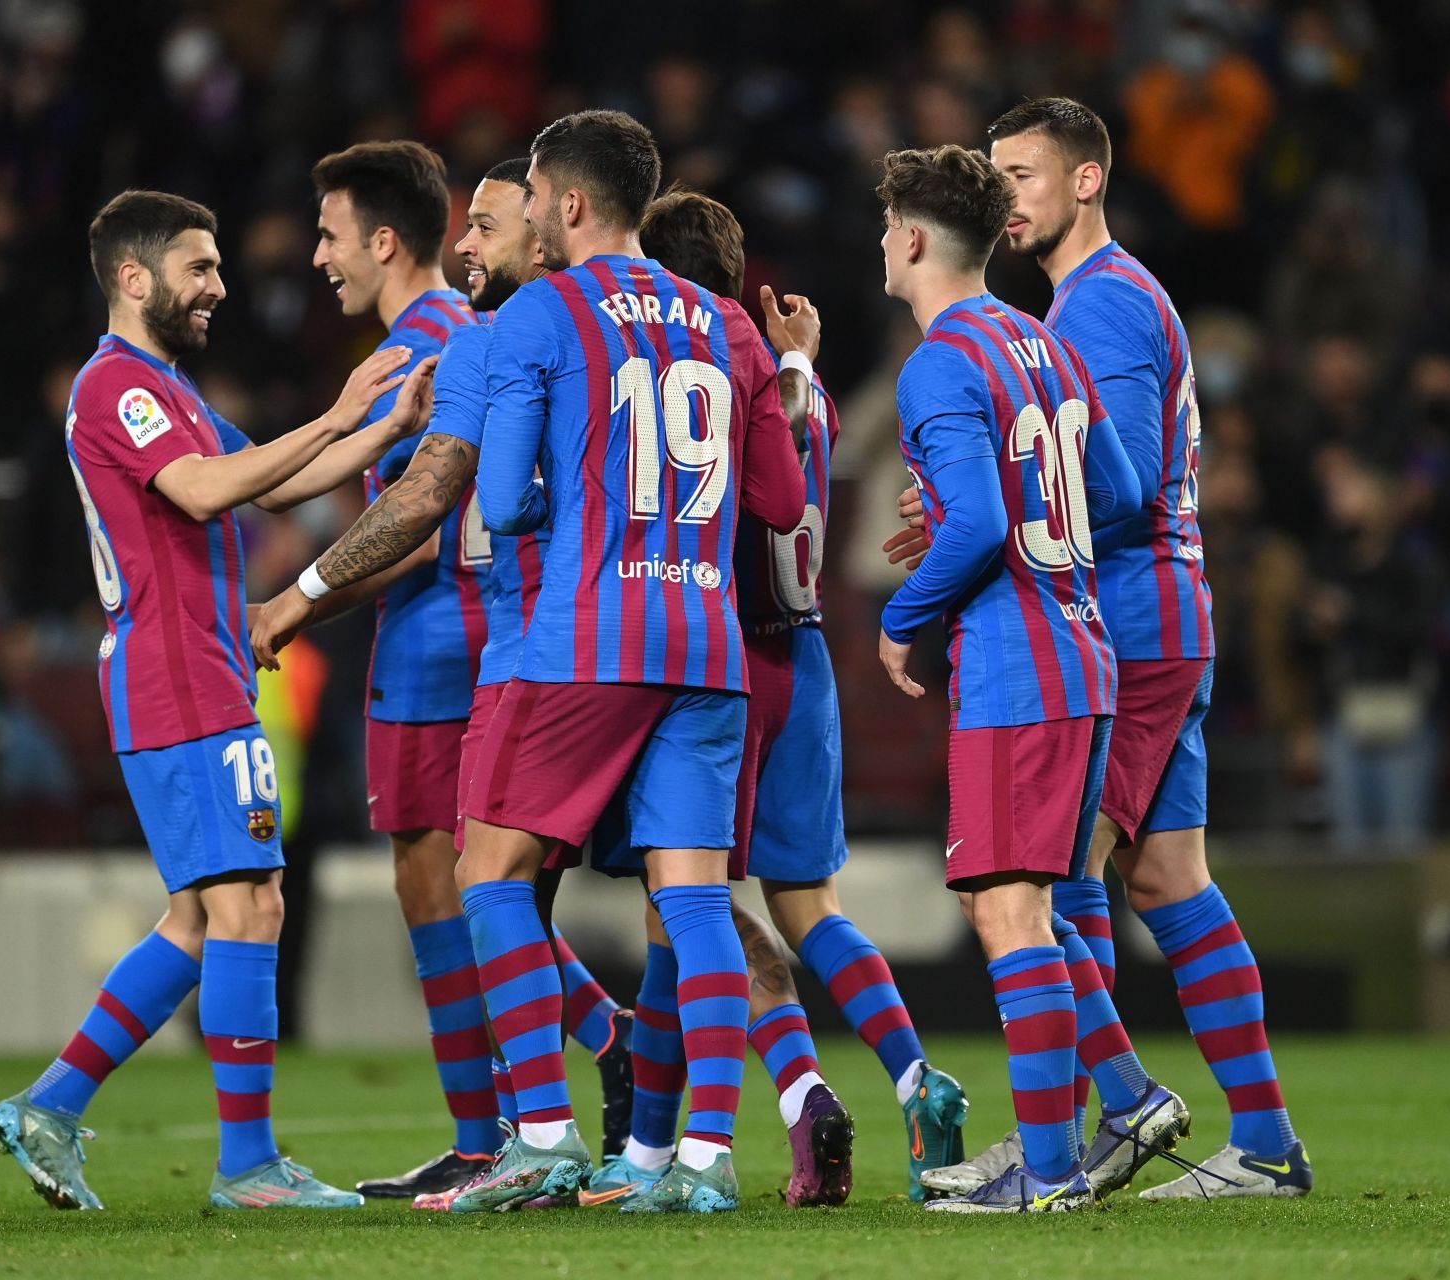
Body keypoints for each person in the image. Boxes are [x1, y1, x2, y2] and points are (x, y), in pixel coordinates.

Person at [0, 188, 427, 1212]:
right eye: (200, 266)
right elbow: (201, 491)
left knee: (197, 915)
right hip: (178, 674)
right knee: (250, 903)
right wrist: (338, 411)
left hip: (202, 668)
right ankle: (248, 1167)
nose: (219, 284)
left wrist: (384, 424)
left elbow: (273, 482)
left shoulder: (172, 390)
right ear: (134, 276)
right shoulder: (116, 389)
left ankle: (50, 1105)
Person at [252, 152, 637, 1201]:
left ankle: (506, 1119)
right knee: (465, 883)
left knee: (449, 880)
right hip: (472, 636)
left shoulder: (423, 346)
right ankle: (554, 1080)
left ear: (383, 240)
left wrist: (289, 605)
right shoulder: (454, 336)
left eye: (329, 234)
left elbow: (417, 532)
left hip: (443, 643)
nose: (319, 256)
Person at [459, 109, 806, 1213]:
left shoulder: (536, 314)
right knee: (696, 900)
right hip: (708, 643)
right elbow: (784, 502)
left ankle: (548, 1135)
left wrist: (579, 490)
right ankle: (702, 1157)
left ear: (565, 202)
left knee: (491, 873)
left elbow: (503, 500)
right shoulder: (723, 322)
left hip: (586, 640)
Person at [985, 97, 1310, 1198]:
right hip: (1160, 615)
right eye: (995, 179)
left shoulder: (1104, 308)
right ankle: (1262, 1142)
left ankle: (1106, 1114)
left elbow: (1110, 485)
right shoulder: (1097, 303)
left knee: (1044, 874)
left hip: (1126, 620)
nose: (1004, 198)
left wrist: (987, 506)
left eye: (1022, 174)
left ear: (1087, 180)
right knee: (1165, 873)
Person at [636, 189, 969, 1206]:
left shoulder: (696, 384)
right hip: (810, 658)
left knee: (691, 902)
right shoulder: (801, 388)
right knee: (811, 904)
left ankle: (781, 1098)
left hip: (725, 665)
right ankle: (918, 1075)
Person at [867, 143, 1164, 1215]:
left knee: (1007, 914)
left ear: (908, 238)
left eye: (885, 229)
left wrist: (905, 621)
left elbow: (984, 524)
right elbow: (1124, 490)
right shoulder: (1039, 339)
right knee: (1047, 906)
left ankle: (1046, 1172)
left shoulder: (940, 360)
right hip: (1086, 649)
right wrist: (1056, 539)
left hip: (1016, 668)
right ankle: (1118, 1100)